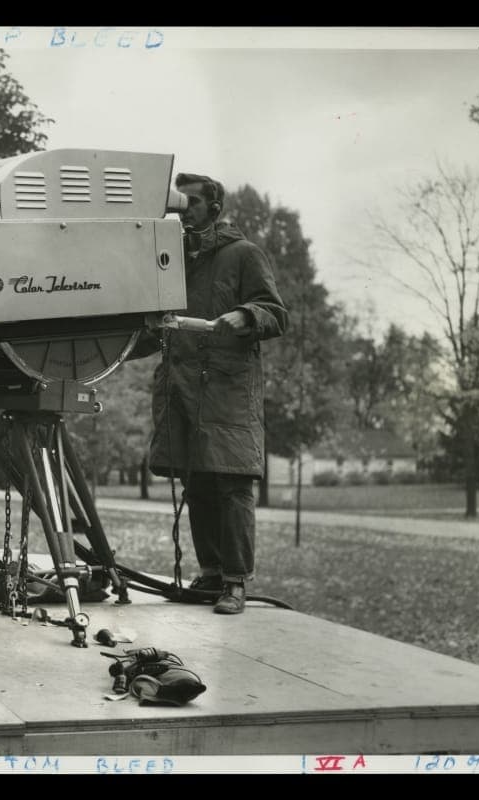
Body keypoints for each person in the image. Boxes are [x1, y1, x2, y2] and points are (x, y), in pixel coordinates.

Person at [133, 172, 289, 614]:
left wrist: (247, 315)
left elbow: (276, 313)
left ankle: (236, 582)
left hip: (227, 390)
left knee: (232, 483)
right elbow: (155, 327)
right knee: (196, 481)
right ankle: (211, 574)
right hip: (181, 388)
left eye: (193, 203)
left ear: (215, 209)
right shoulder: (171, 260)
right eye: (178, 203)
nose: (183, 211)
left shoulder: (244, 254)